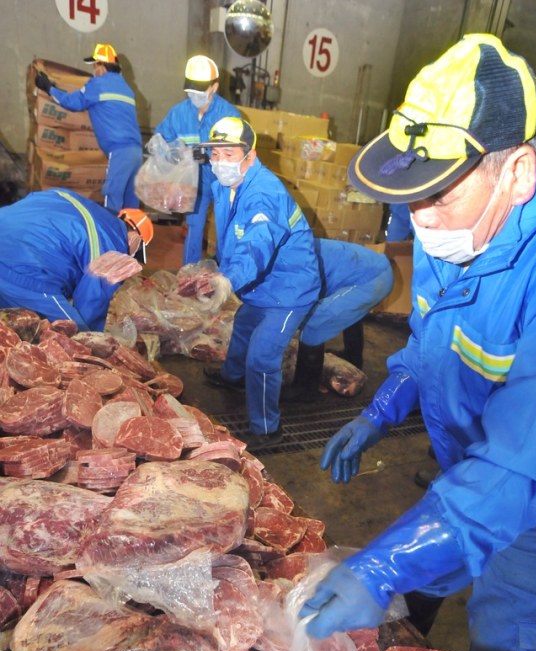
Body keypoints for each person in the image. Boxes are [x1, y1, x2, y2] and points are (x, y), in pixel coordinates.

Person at [300, 33, 536, 651]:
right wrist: (381, 411)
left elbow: (515, 472)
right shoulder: (461, 223)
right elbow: (432, 346)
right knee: (431, 566)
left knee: (508, 650)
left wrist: (380, 567)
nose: (419, 219)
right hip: (472, 464)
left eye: (436, 193)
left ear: (520, 173)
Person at [200, 117, 321, 452]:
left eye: (228, 153)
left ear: (249, 157)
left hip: (289, 290)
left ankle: (267, 428)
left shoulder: (264, 192)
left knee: (262, 357)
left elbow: (258, 239)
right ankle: (232, 378)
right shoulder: (225, 186)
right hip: (261, 283)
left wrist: (230, 277)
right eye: (215, 154)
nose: (220, 162)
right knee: (243, 325)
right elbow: (230, 235)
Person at [0, 188, 153, 331]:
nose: (131, 257)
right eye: (137, 252)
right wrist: (94, 337)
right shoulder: (110, 244)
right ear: (134, 237)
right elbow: (92, 301)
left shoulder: (70, 198)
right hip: (24, 270)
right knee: (72, 339)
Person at [282, 238, 393, 402]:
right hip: (375, 268)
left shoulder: (293, 262)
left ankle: (306, 388)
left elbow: (301, 301)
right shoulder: (293, 245)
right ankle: (353, 357)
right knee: (347, 309)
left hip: (371, 279)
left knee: (315, 322)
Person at [35, 44, 143, 213]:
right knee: (131, 200)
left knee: (112, 195)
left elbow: (73, 102)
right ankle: (134, 237)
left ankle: (109, 236)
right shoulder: (126, 88)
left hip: (119, 150)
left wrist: (49, 88)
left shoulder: (98, 84)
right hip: (136, 152)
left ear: (103, 66)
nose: (94, 70)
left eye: (95, 65)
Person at [155, 55, 241, 265]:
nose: (195, 96)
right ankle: (189, 273)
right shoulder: (179, 114)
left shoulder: (228, 114)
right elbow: (159, 141)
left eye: (200, 91)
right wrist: (172, 154)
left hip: (224, 182)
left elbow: (239, 149)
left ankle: (224, 274)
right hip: (195, 183)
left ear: (215, 87)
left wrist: (210, 155)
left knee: (225, 227)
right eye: (192, 91)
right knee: (194, 227)